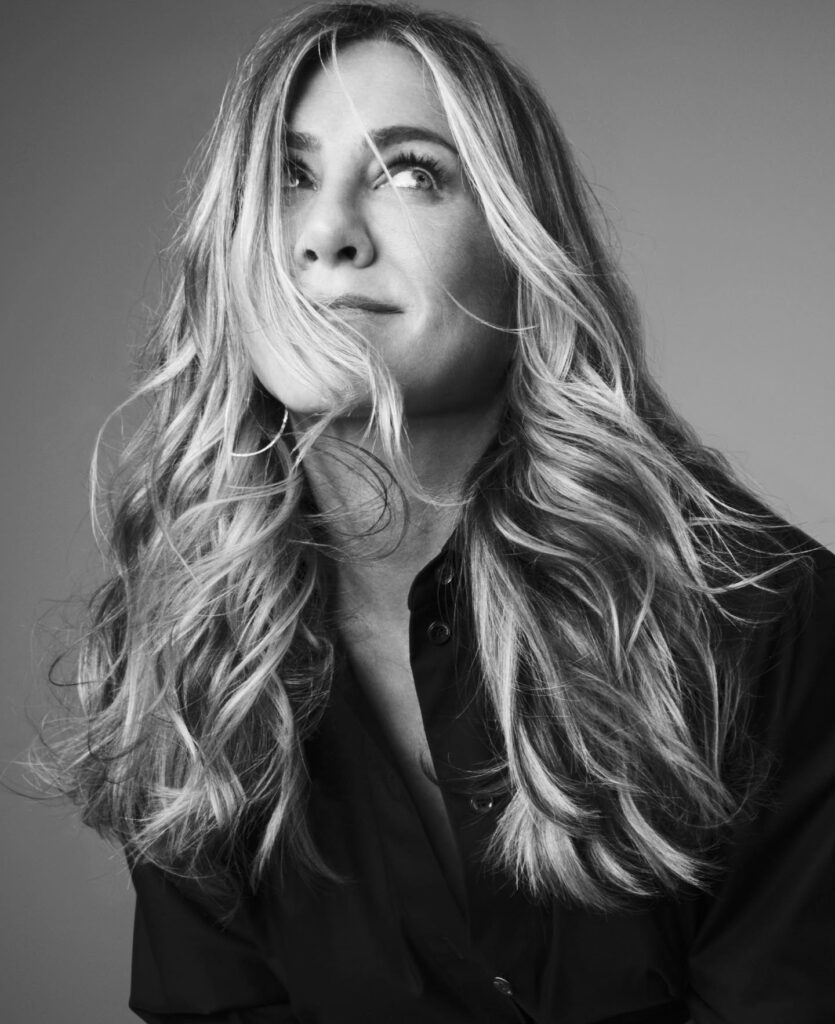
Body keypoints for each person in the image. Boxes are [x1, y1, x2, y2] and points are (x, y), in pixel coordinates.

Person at [30, 2, 835, 1022]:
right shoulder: (184, 640)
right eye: (287, 177)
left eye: (410, 172)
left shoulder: (760, 613)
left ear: (520, 242)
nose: (325, 236)